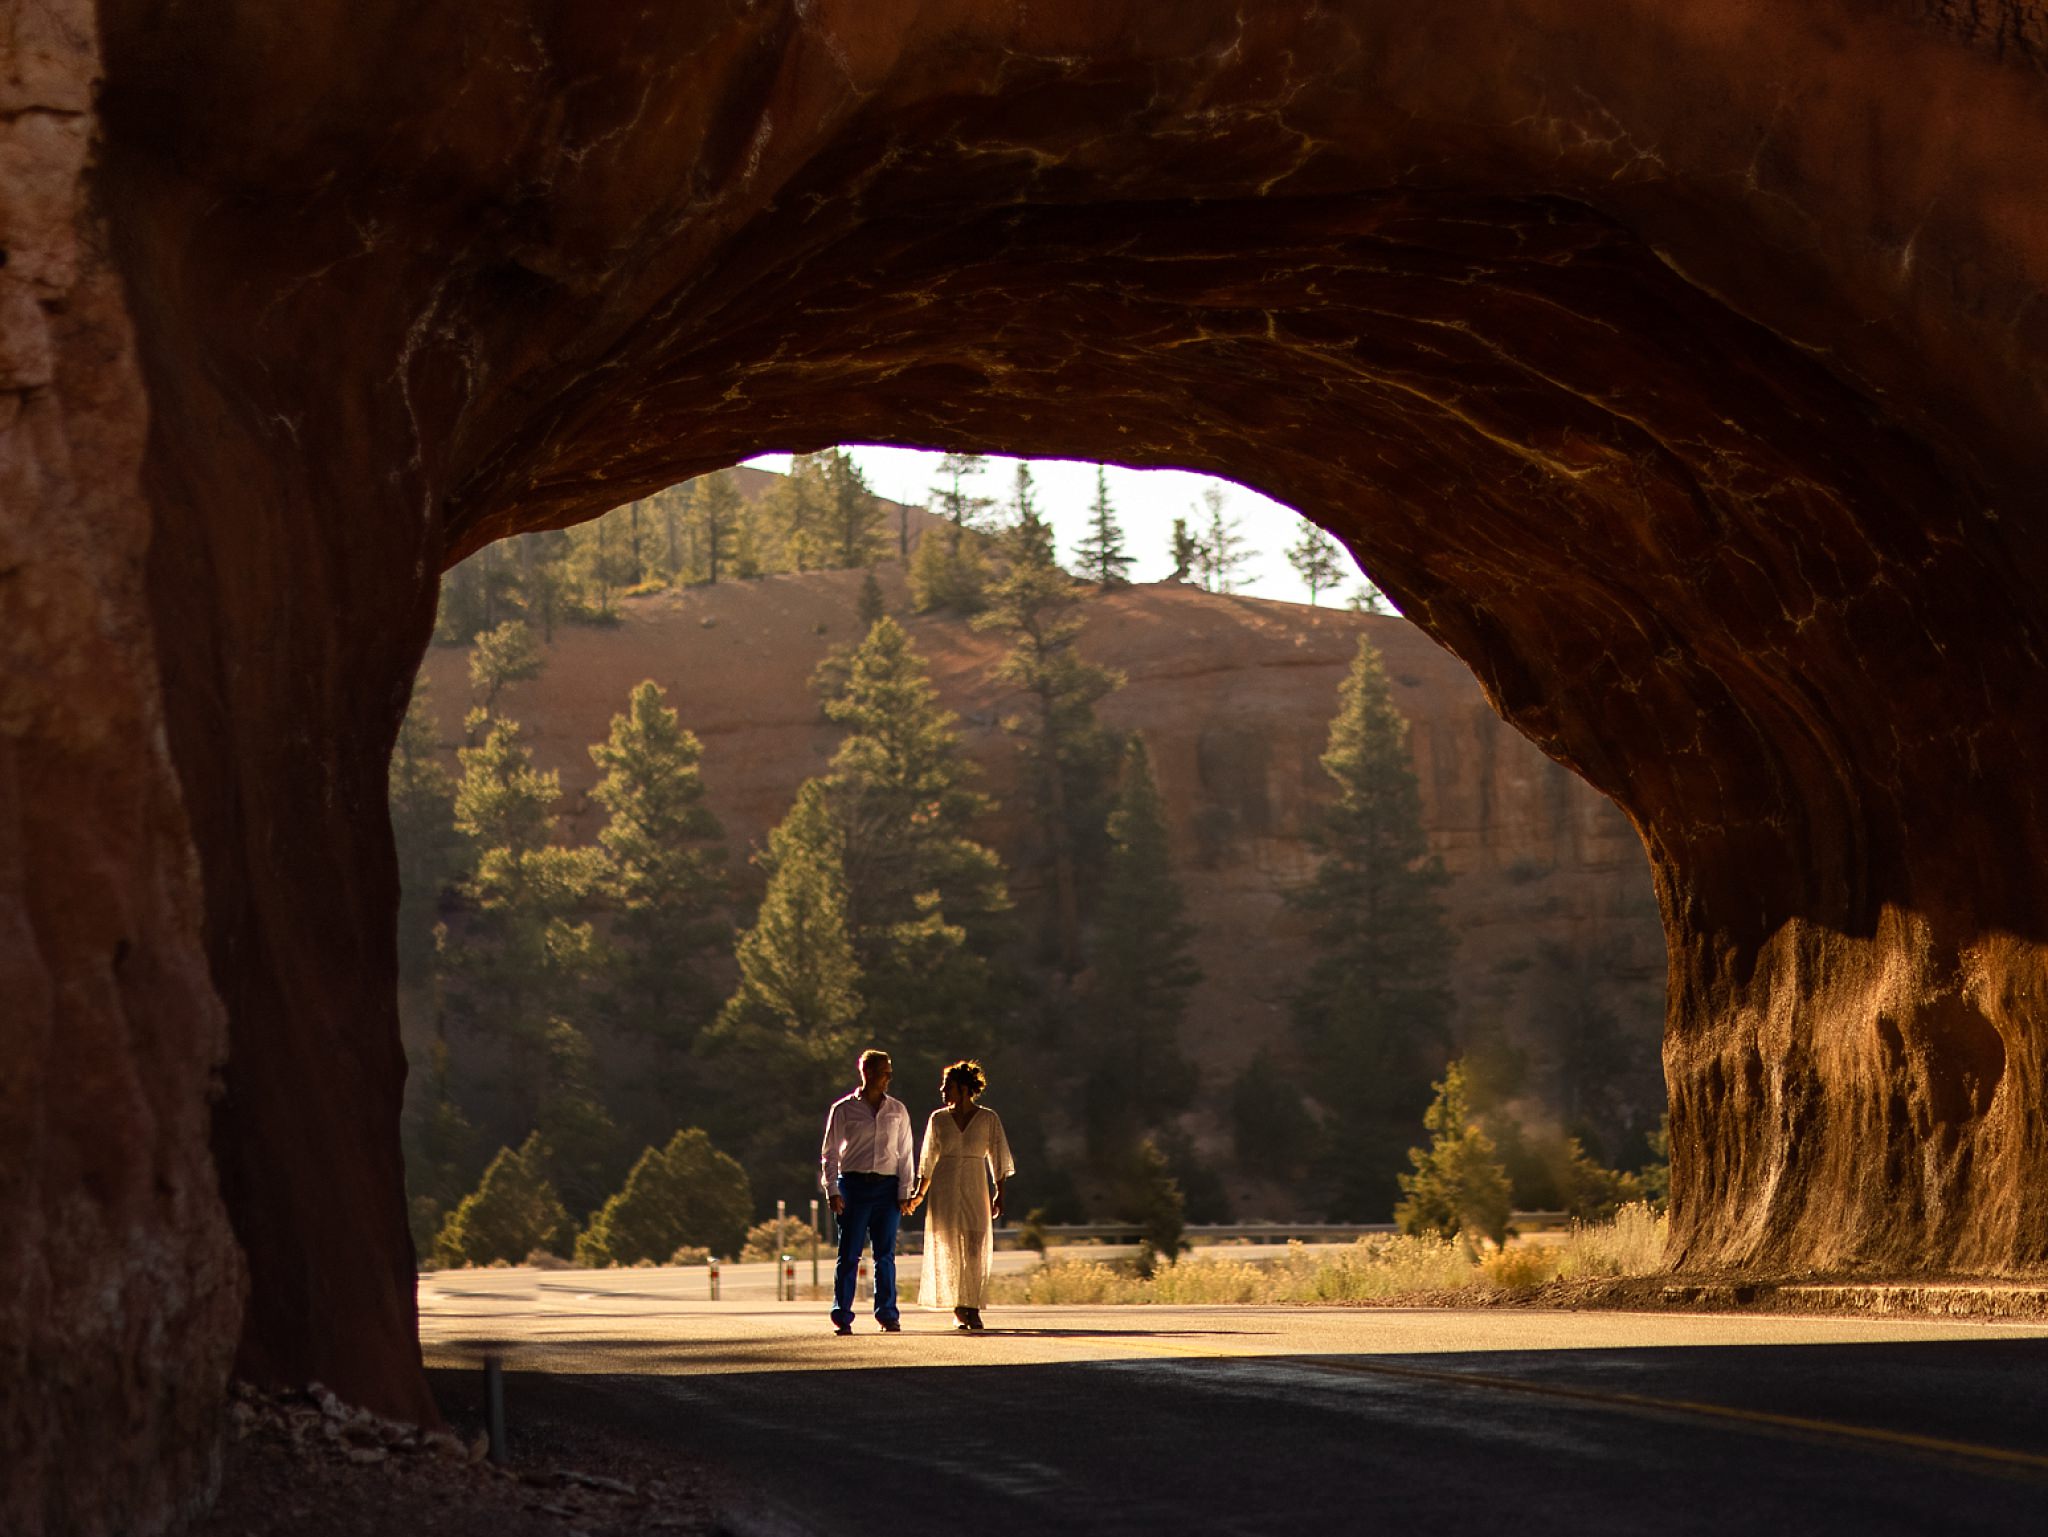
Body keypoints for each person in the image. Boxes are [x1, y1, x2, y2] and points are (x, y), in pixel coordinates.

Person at [907, 1059, 1014, 1332]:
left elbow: (998, 1159)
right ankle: (958, 1308)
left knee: (974, 1246)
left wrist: (999, 1193)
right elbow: (928, 1160)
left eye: (949, 1086)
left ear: (964, 1088)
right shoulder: (938, 1119)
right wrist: (919, 1194)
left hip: (975, 1184)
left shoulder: (988, 1118)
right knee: (950, 1246)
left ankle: (973, 1306)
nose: (943, 1091)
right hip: (944, 1186)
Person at [819, 1048, 917, 1335]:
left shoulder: (897, 1110)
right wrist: (832, 1189)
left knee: (885, 1254)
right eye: (884, 1072)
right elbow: (830, 1153)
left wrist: (904, 1191)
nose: (889, 1077)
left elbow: (905, 1153)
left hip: (887, 1188)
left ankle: (888, 1315)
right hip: (854, 1186)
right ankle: (842, 1315)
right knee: (849, 1254)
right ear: (868, 1073)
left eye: (890, 1072)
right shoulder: (844, 1109)